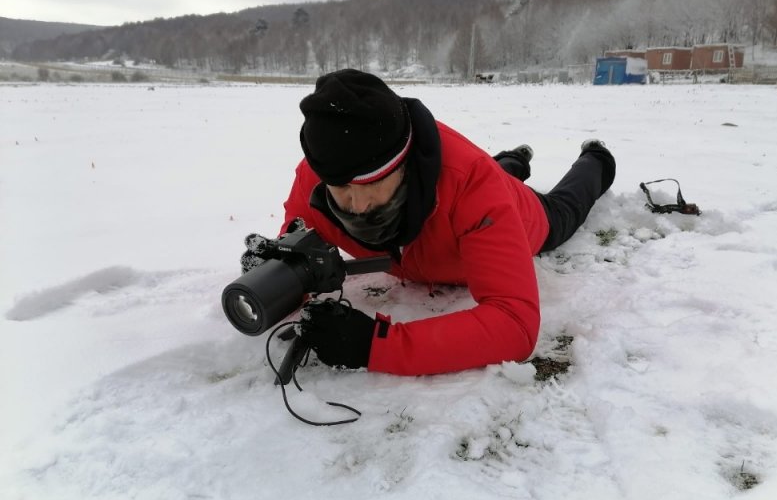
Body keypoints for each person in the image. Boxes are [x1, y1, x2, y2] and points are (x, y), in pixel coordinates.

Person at [241, 69, 615, 376]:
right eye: (340, 189)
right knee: (496, 172)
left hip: (519, 213)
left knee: (563, 211)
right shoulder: (321, 173)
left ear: (402, 167)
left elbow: (515, 323)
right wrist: (278, 271)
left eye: (369, 186)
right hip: (470, 192)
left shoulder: (474, 186)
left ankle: (595, 159)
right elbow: (296, 241)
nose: (356, 206)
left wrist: (375, 345)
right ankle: (514, 159)